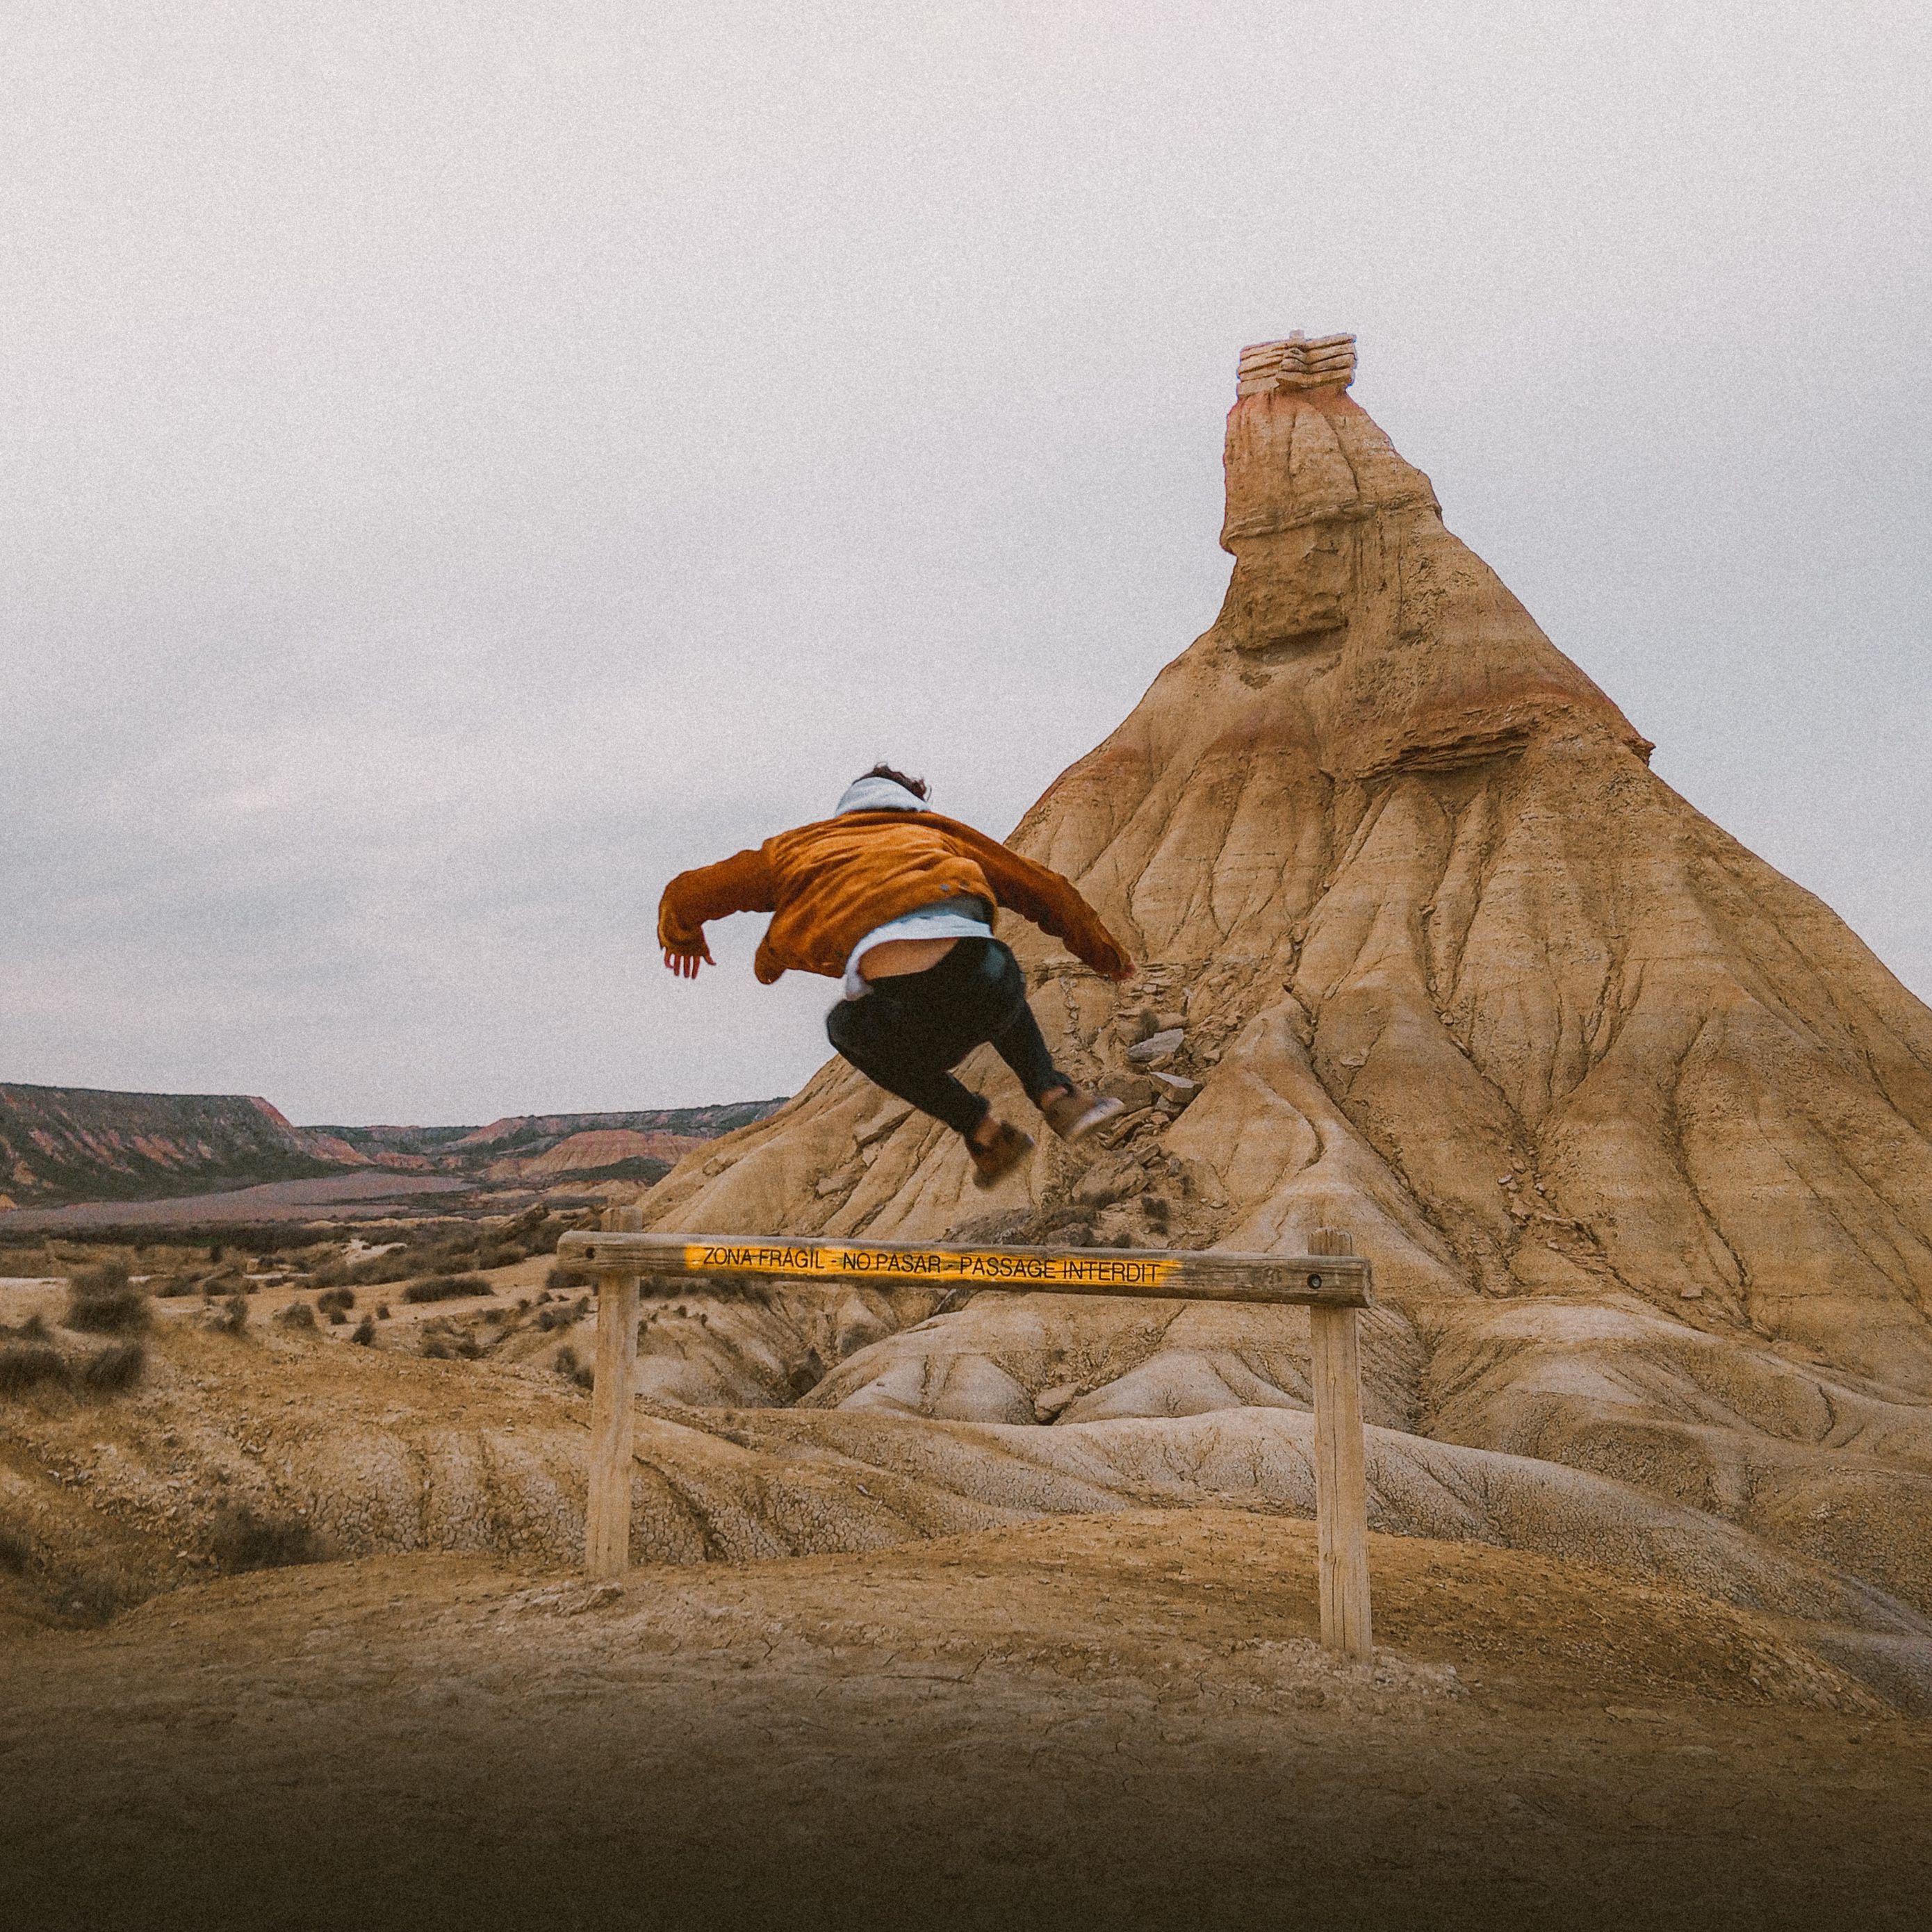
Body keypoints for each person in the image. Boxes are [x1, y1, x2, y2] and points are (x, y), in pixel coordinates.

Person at [657, 764, 1135, 1188]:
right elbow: (1045, 889)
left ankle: (985, 1134)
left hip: (904, 1020)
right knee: (983, 966)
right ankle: (1056, 1095)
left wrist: (683, 938)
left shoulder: (798, 849)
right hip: (987, 982)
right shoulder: (937, 832)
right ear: (913, 800)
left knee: (843, 1026)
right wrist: (1109, 958)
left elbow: (688, 892)